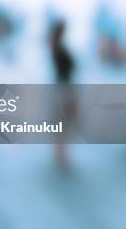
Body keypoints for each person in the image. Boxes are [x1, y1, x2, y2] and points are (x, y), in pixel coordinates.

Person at [49, 19, 76, 171]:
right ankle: (60, 152)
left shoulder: (56, 46)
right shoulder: (59, 48)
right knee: (64, 119)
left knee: (63, 119)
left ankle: (60, 151)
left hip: (62, 86)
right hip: (64, 87)